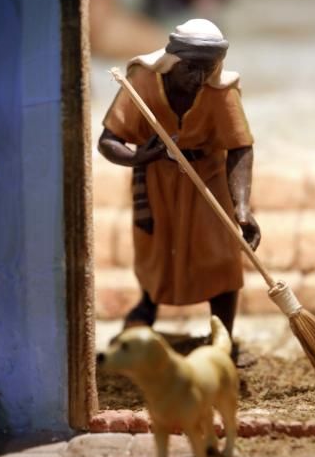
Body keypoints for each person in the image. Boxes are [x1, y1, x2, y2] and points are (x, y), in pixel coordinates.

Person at [98, 19, 261, 345]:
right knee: (155, 251)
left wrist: (241, 209)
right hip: (157, 180)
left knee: (222, 255)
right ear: (173, 62)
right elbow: (108, 141)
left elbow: (240, 147)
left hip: (208, 181)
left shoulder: (220, 91)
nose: (200, 78)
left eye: (208, 68)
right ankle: (147, 308)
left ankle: (223, 337)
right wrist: (138, 157)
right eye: (192, 68)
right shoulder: (142, 82)